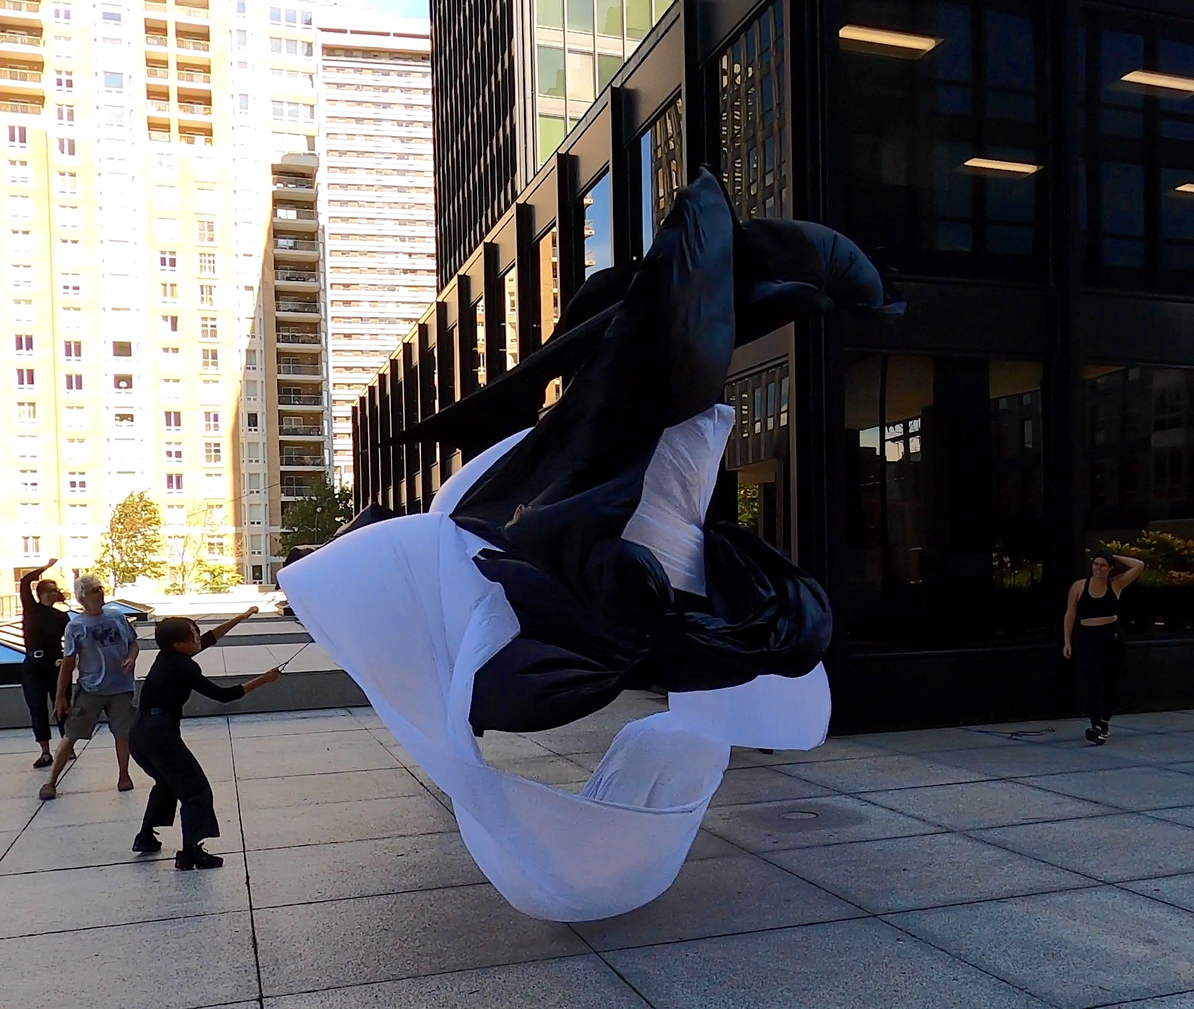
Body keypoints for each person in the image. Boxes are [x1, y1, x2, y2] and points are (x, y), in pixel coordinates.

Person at [130, 615, 279, 869]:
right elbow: (224, 696)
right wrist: (264, 679)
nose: (198, 636)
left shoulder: (166, 657)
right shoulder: (184, 667)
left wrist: (240, 618)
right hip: (160, 735)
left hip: (139, 733)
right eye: (193, 633)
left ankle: (145, 837)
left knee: (166, 784)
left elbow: (208, 639)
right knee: (196, 791)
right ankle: (190, 852)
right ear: (178, 644)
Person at [39, 575, 140, 800]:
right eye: (94, 590)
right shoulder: (76, 626)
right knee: (72, 734)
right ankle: (51, 781)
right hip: (91, 689)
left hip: (121, 688)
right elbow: (68, 662)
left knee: (123, 734)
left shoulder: (117, 616)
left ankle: (124, 775)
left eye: (100, 588)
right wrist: (60, 697)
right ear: (82, 597)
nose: (100, 592)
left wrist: (131, 659)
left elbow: (133, 643)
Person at [1063, 549, 1145, 745]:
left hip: (1111, 635)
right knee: (1093, 681)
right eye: (1095, 564)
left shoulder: (1115, 584)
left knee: (1111, 681)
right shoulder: (1079, 586)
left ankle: (1105, 721)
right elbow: (1070, 614)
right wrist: (1067, 641)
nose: (1098, 568)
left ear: (1109, 568)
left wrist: (1112, 556)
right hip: (1087, 636)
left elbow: (1139, 565)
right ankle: (1095, 725)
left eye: (1103, 565)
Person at [19, 559, 73, 768]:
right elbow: (25, 581)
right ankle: (45, 752)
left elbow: (72, 642)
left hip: (55, 664)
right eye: (47, 590)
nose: (51, 594)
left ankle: (67, 747)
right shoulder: (32, 609)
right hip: (33, 664)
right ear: (39, 593)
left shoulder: (62, 617)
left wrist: (66, 659)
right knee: (37, 707)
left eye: (53, 590)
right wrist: (46, 567)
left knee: (62, 704)